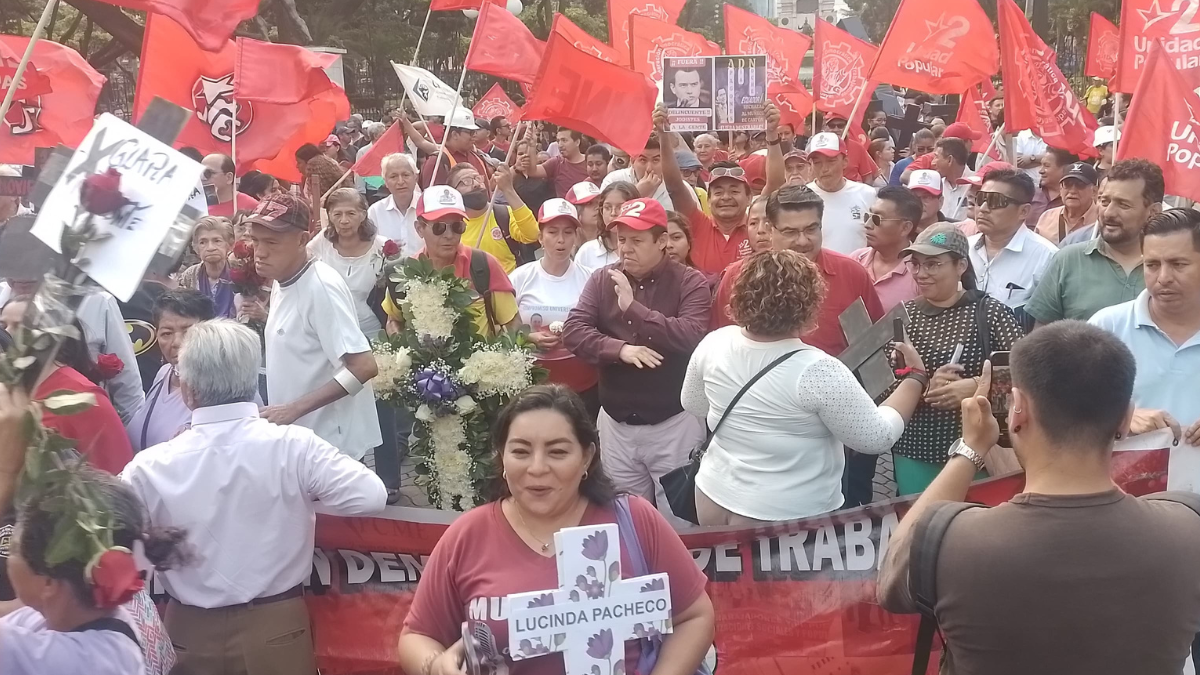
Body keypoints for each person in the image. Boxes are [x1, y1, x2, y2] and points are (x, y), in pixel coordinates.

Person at [879, 320, 1200, 675]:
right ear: (1125, 417)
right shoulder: (1187, 527)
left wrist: (970, 449)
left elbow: (893, 578)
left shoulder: (951, 539)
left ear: (1018, 410)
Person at [122, 319, 387, 675]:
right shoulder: (293, 447)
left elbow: (111, 532)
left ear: (188, 392)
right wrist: (302, 496)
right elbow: (371, 496)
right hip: (277, 626)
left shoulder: (150, 465)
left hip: (188, 630)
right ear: (251, 382)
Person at [398, 385, 713, 675]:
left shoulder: (634, 519)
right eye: (520, 451)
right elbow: (417, 636)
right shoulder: (467, 534)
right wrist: (434, 665)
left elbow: (694, 616)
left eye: (558, 452)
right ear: (502, 459)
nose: (537, 468)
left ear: (587, 456)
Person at [683, 250, 926, 525]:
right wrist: (914, 378)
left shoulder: (715, 342)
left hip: (712, 495)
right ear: (809, 304)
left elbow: (693, 404)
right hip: (783, 513)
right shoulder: (817, 370)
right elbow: (876, 437)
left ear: (740, 295)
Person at [0, 406, 188, 675]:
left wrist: (6, 473)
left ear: (49, 582)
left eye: (14, 546)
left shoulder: (76, 660)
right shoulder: (83, 617)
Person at [561, 198, 711, 518]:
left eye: (637, 240)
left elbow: (691, 336)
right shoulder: (603, 279)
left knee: (679, 521)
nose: (626, 249)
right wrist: (620, 350)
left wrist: (635, 310)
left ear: (661, 241)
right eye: (622, 239)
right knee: (623, 518)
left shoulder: (690, 281)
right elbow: (573, 330)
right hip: (617, 424)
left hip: (674, 423)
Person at [887, 224, 1023, 494]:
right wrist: (922, 385)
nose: (921, 274)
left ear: (960, 265)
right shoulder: (903, 316)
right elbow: (881, 387)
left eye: (933, 265)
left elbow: (1028, 372)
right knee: (920, 525)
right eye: (915, 264)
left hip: (979, 448)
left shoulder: (990, 312)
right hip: (915, 448)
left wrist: (976, 386)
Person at [248, 192, 382, 460]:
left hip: (329, 448)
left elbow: (364, 366)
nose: (260, 252)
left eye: (272, 242)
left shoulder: (321, 287)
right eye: (255, 241)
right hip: (300, 441)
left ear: (301, 240)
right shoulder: (281, 277)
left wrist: (294, 409)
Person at [711, 185, 884, 357]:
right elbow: (721, 347)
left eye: (811, 229)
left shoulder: (852, 274)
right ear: (770, 230)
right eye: (790, 232)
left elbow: (876, 344)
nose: (802, 241)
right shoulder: (737, 278)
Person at [1090, 208, 1200, 445]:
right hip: (1122, 480)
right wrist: (1121, 418)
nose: (1163, 277)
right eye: (1152, 265)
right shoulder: (1106, 328)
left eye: (1178, 264)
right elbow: (1064, 410)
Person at [0, 300, 134, 475]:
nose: (7, 334)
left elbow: (115, 478)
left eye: (21, 326)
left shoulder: (85, 400)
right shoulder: (8, 393)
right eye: (3, 326)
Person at [1026, 161, 1161, 326]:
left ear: (1153, 212)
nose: (1109, 212)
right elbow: (1041, 339)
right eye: (1104, 202)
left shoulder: (1173, 268)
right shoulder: (1068, 260)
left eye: (1123, 205)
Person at [384, 186, 520, 338]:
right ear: (419, 228)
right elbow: (393, 320)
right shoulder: (403, 272)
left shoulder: (484, 264)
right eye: (439, 227)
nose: (449, 235)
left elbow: (512, 323)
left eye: (457, 226)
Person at [510, 200, 599, 413]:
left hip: (582, 387)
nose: (561, 240)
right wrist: (527, 337)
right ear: (540, 237)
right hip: (532, 388)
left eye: (568, 232)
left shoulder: (591, 279)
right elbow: (503, 326)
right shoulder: (520, 278)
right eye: (553, 232)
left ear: (576, 237)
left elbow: (600, 328)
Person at [125, 290, 221, 453]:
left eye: (188, 331)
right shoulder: (164, 373)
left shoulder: (229, 386)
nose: (177, 342)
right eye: (166, 333)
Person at [968, 169, 1058, 318]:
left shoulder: (1047, 257)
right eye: (980, 199)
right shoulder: (963, 249)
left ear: (1023, 211)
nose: (983, 209)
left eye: (995, 201)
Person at [447, 163, 538, 273]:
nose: (476, 184)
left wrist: (508, 189)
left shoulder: (504, 214)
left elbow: (533, 235)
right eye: (466, 181)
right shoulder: (451, 227)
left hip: (508, 287)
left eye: (477, 178)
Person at [805, 132, 878, 254]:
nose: (824, 169)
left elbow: (876, 241)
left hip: (855, 271)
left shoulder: (867, 194)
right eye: (817, 163)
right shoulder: (802, 197)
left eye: (831, 161)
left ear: (845, 161)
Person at [852, 186, 921, 311]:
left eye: (877, 219)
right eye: (868, 216)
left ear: (905, 228)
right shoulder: (855, 260)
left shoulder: (920, 273)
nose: (868, 225)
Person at [601, 135, 693, 211]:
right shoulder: (614, 180)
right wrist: (637, 194)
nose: (649, 168)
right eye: (643, 160)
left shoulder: (681, 188)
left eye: (656, 160)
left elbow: (693, 223)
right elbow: (604, 219)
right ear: (632, 161)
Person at [177, 216, 237, 319]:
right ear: (196, 248)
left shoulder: (241, 273)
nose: (210, 248)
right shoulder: (188, 276)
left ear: (230, 245)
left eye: (217, 241)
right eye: (203, 242)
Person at [367, 153, 423, 257]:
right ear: (386, 182)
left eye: (405, 175)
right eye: (393, 176)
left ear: (416, 178)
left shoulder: (428, 205)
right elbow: (370, 249)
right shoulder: (375, 211)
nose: (400, 182)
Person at [419, 110, 490, 189]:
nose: (474, 136)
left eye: (474, 132)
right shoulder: (437, 162)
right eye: (471, 132)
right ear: (455, 134)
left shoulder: (477, 157)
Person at [1034, 162, 1099, 245]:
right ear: (1061, 189)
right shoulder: (1047, 217)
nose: (1072, 191)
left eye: (1080, 185)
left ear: (1094, 191)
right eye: (1067, 184)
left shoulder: (1101, 220)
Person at [576, 180, 636, 270]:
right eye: (608, 207)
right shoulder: (587, 251)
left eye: (620, 207)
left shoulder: (645, 248)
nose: (613, 213)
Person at [519, 127, 591, 198]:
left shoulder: (590, 163)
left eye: (564, 140)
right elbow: (533, 171)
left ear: (577, 142)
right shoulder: (556, 162)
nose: (560, 145)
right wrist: (532, 145)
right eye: (558, 141)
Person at [821, 113, 879, 184]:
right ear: (825, 128)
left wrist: (862, 193)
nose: (836, 129)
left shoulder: (858, 147)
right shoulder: (818, 147)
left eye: (840, 126)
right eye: (832, 126)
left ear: (847, 127)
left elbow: (867, 177)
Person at [1025, 148, 1076, 228]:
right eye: (1041, 165)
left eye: (1046, 166)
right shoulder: (1030, 194)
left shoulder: (1074, 200)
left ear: (1065, 169)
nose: (1041, 171)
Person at [201, 154, 259, 218]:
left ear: (228, 177)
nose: (203, 178)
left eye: (208, 173)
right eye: (200, 172)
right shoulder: (194, 203)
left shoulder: (251, 206)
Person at [931, 137, 972, 221]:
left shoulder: (976, 185)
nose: (933, 163)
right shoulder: (936, 186)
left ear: (950, 160)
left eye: (936, 157)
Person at [565, 180, 603, 253]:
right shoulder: (564, 246)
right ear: (575, 210)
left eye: (599, 202)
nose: (597, 207)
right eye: (589, 203)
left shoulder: (611, 240)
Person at [907, 169, 946, 235]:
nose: (919, 203)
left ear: (940, 202)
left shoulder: (952, 232)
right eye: (914, 196)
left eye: (926, 197)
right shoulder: (898, 232)